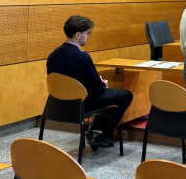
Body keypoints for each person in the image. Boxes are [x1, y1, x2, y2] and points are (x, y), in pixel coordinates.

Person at [46, 15, 133, 148]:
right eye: (88, 33)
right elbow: (97, 89)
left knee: (108, 95)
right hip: (81, 104)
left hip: (58, 104)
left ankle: (97, 132)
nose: (88, 36)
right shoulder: (82, 57)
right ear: (78, 35)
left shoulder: (53, 55)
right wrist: (103, 83)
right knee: (126, 96)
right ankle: (99, 132)